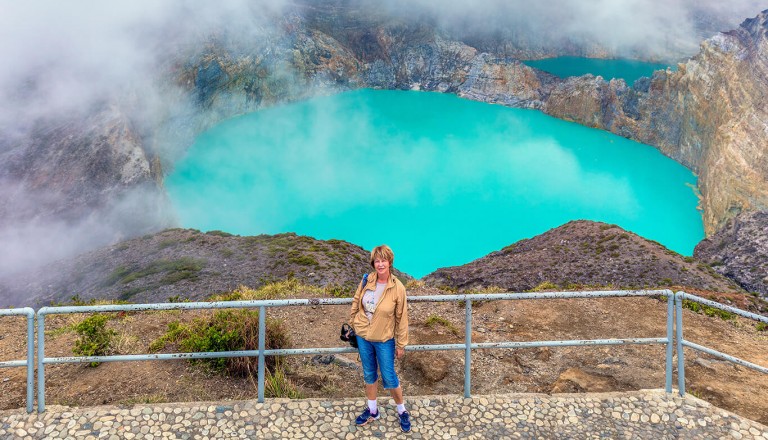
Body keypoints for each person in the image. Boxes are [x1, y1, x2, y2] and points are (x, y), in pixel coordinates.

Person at [349, 244, 411, 433]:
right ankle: (373, 410)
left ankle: (402, 411)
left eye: (384, 260)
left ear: (390, 262)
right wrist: (354, 321)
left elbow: (402, 317)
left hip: (384, 338)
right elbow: (356, 300)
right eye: (377, 260)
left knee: (389, 375)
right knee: (369, 373)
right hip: (363, 336)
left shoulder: (397, 287)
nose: (380, 264)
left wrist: (401, 344)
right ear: (373, 263)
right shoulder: (367, 280)